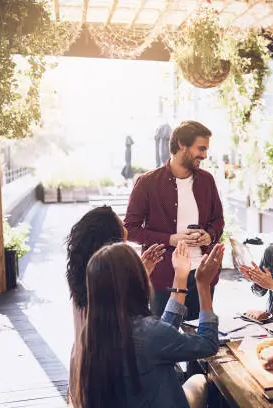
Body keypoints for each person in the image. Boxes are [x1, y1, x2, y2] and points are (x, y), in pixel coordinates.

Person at [70, 241, 224, 408]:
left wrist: (180, 278)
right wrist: (203, 285)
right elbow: (207, 344)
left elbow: (160, 337)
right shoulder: (149, 334)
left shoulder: (90, 334)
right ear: (136, 280)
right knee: (201, 380)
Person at [124, 120, 224, 320]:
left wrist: (209, 235)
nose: (204, 155)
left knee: (201, 337)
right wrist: (170, 239)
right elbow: (130, 230)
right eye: (201, 148)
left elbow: (218, 220)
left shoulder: (207, 180)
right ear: (181, 144)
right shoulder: (147, 183)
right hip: (164, 278)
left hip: (202, 276)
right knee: (165, 341)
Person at [65, 207, 165, 395]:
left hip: (81, 361)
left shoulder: (82, 271)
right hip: (103, 366)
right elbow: (130, 314)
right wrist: (137, 274)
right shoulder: (103, 275)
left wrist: (140, 271)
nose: (124, 226)